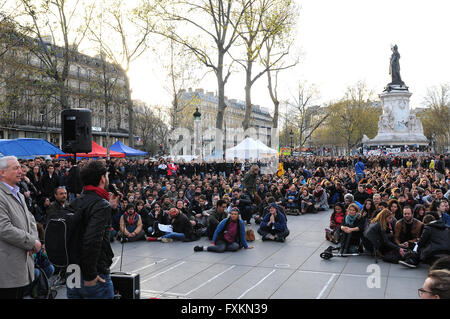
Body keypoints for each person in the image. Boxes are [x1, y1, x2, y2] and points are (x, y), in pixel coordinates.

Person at [66, 160, 119, 299]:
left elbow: (80, 229)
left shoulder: (76, 202)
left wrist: (111, 210)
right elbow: (91, 240)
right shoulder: (100, 204)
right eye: (106, 176)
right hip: (93, 274)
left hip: (72, 271)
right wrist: (90, 275)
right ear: (102, 179)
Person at [0, 156, 41, 299]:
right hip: (7, 265)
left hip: (21, 261)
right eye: (15, 168)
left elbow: (30, 219)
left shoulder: (18, 193)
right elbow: (4, 228)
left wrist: (34, 240)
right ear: (2, 172)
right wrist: (31, 242)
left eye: (20, 167)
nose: (21, 171)